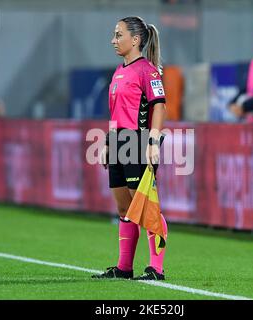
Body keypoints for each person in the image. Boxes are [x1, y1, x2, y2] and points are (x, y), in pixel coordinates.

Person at [91, 16, 168, 281]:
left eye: (118, 35)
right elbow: (117, 113)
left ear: (135, 40)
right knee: (124, 210)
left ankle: (156, 269)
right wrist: (107, 142)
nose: (113, 40)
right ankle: (124, 269)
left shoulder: (148, 71)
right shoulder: (119, 71)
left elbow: (160, 105)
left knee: (146, 208)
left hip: (138, 142)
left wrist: (153, 140)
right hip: (120, 143)